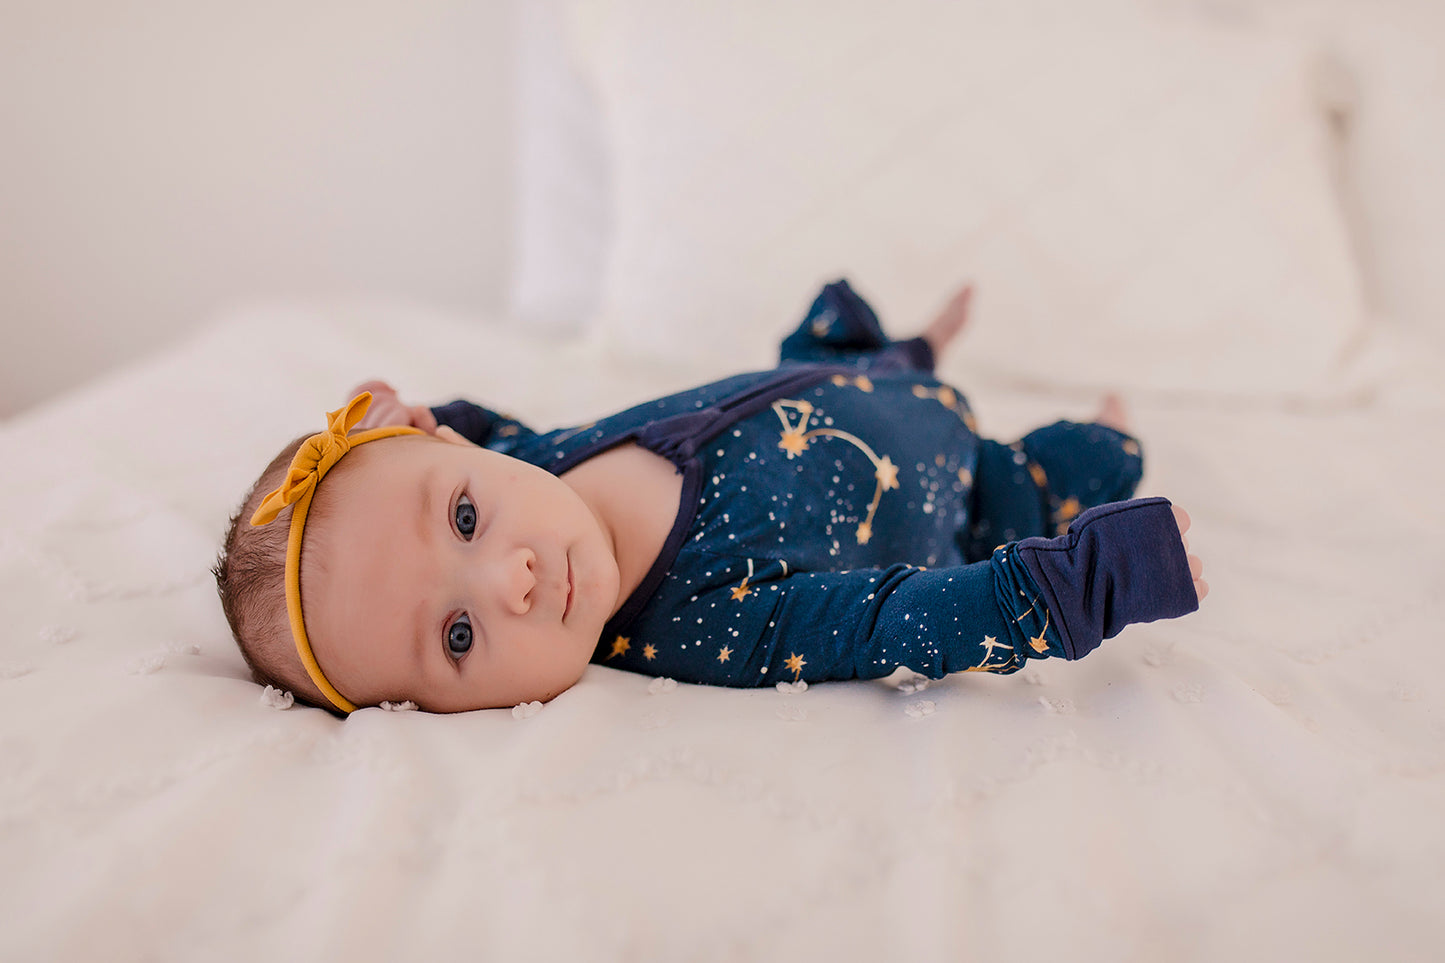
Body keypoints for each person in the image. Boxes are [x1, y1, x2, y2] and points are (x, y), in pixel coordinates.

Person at [213, 279, 1206, 715]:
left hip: (846, 393)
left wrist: (399, 422)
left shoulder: (533, 459)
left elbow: (474, 427)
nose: (510, 576)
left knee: (830, 349)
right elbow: (901, 621)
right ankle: (1103, 427)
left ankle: (912, 352)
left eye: (463, 519)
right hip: (969, 488)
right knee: (1087, 460)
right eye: (459, 637)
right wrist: (1095, 583)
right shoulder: (707, 627)